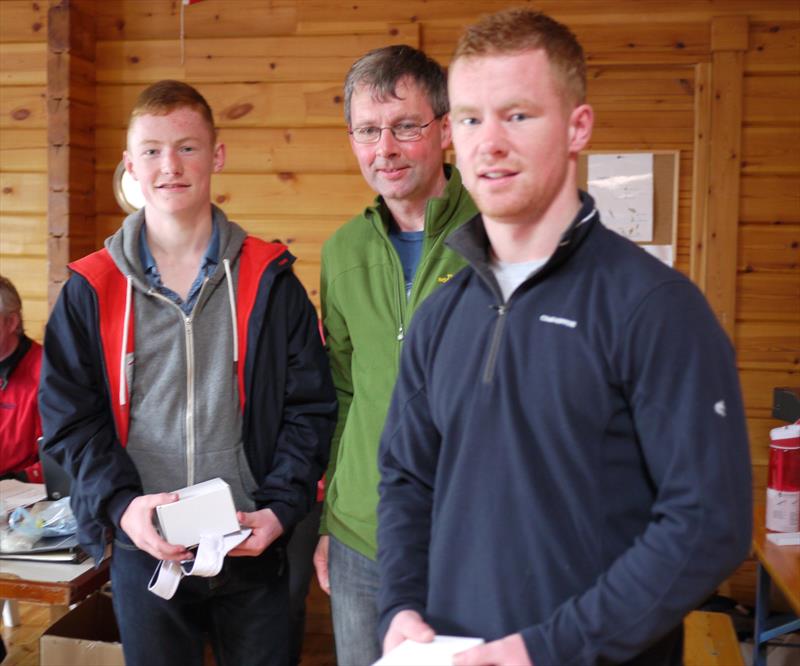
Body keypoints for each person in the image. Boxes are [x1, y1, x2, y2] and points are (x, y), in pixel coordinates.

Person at [376, 9, 752, 666]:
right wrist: (401, 608)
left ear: (577, 127)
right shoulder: (441, 316)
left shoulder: (656, 309)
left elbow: (706, 526)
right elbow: (408, 479)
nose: (488, 142)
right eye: (468, 118)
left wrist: (545, 649)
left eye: (517, 115)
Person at [39, 80, 337, 666]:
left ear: (217, 156)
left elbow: (311, 408)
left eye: (187, 147)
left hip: (255, 549)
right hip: (147, 553)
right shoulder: (90, 289)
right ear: (130, 164)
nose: (169, 166)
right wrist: (124, 508)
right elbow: (70, 424)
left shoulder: (269, 278)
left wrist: (280, 508)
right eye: (151, 150)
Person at [313, 45, 477, 664]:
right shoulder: (341, 251)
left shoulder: (496, 237)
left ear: (446, 130)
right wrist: (330, 520)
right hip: (363, 535)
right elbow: (342, 390)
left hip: (471, 537)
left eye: (406, 127)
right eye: (368, 130)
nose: (386, 148)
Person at [0, 275, 43, 483]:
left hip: (25, 497)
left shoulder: (48, 372)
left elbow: (62, 456)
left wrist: (16, 479)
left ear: (11, 322)